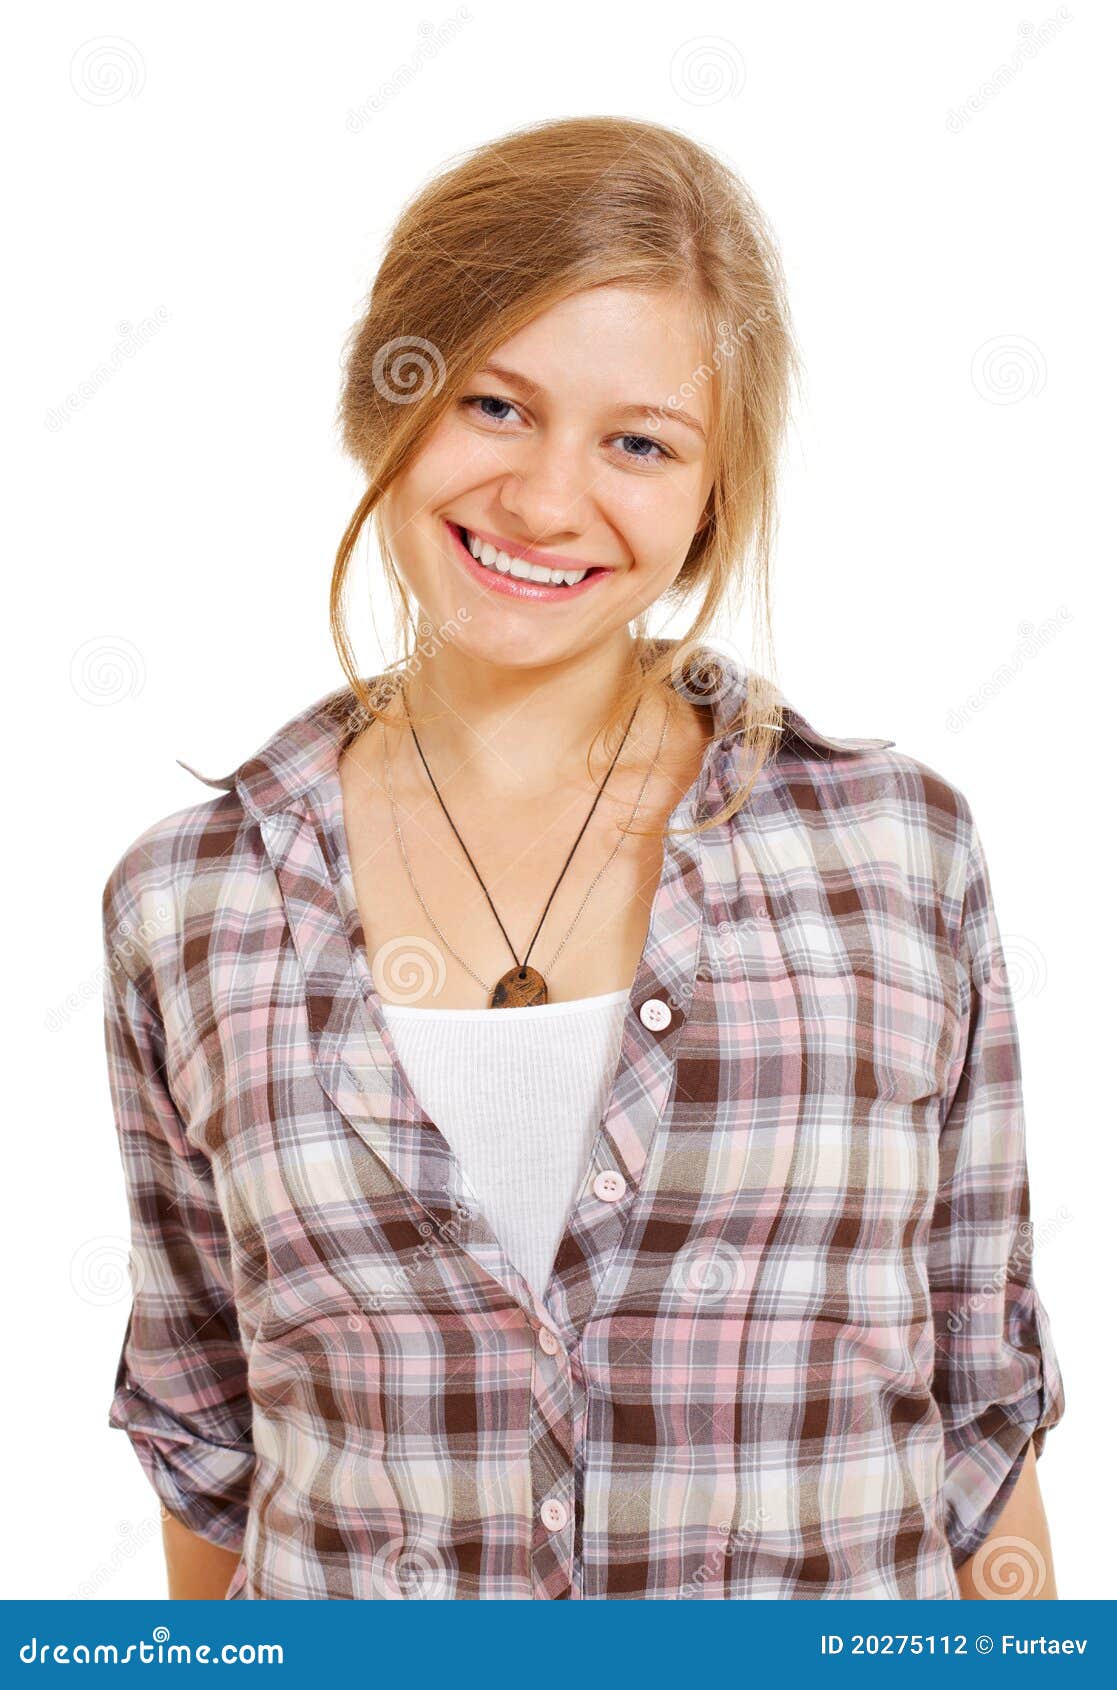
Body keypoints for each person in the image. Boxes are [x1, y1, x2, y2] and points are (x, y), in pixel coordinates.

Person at [101, 115, 1064, 1601]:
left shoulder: (895, 854)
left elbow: (982, 1424)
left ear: (708, 494)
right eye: (493, 404)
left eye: (637, 443)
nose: (548, 502)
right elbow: (205, 1449)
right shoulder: (191, 899)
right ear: (385, 404)